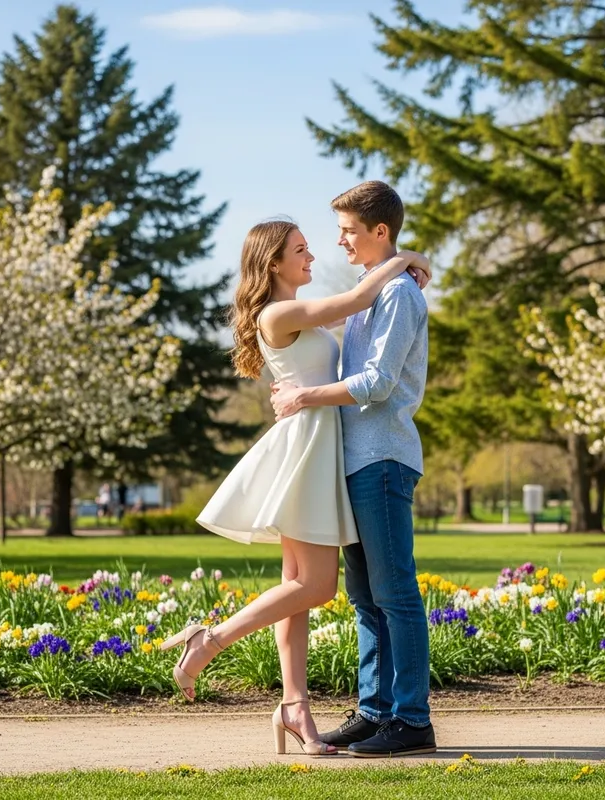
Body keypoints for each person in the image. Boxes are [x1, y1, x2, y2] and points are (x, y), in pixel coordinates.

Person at [160, 217, 430, 757]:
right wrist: (406, 261)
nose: (313, 256)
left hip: (320, 445)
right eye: (301, 250)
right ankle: (207, 641)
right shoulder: (280, 312)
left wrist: (402, 262)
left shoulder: (290, 311)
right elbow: (354, 299)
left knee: (297, 590)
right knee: (318, 587)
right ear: (273, 262)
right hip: (307, 449)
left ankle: (295, 707)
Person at [270, 181, 435, 758]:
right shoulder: (378, 290)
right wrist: (410, 262)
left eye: (347, 230)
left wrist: (303, 397)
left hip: (383, 459)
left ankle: (412, 719)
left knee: (396, 594)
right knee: (367, 597)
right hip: (354, 462)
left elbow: (378, 384)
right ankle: (375, 712)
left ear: (379, 232)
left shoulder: (397, 298)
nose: (338, 240)